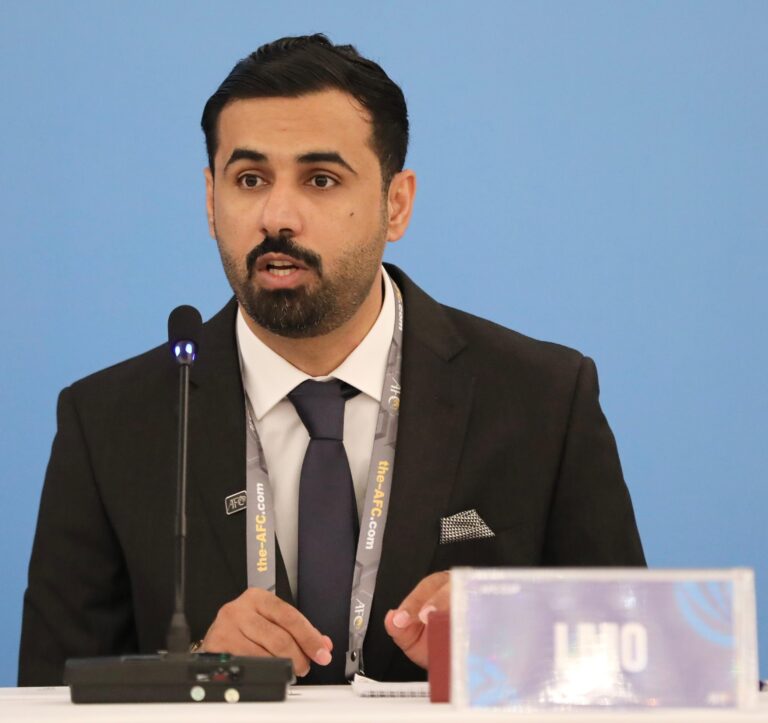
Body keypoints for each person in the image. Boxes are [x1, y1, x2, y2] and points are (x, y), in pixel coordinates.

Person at [18, 34, 645, 686]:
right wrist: (194, 675)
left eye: (320, 180)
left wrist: (519, 642)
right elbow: (46, 696)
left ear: (396, 204)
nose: (277, 216)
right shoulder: (110, 423)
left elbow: (645, 672)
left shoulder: (543, 399)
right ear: (210, 200)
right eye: (250, 179)